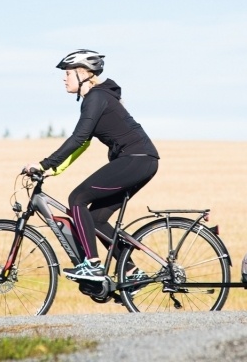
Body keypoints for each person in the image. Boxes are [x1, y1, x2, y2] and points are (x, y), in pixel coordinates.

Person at [23, 49, 159, 282]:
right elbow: (83, 144)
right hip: (141, 161)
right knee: (96, 219)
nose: (63, 78)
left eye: (67, 73)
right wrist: (54, 169)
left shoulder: (96, 98)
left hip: (135, 159)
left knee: (77, 198)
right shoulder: (96, 98)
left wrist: (44, 164)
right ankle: (131, 272)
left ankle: (93, 265)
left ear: (83, 74)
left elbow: (77, 138)